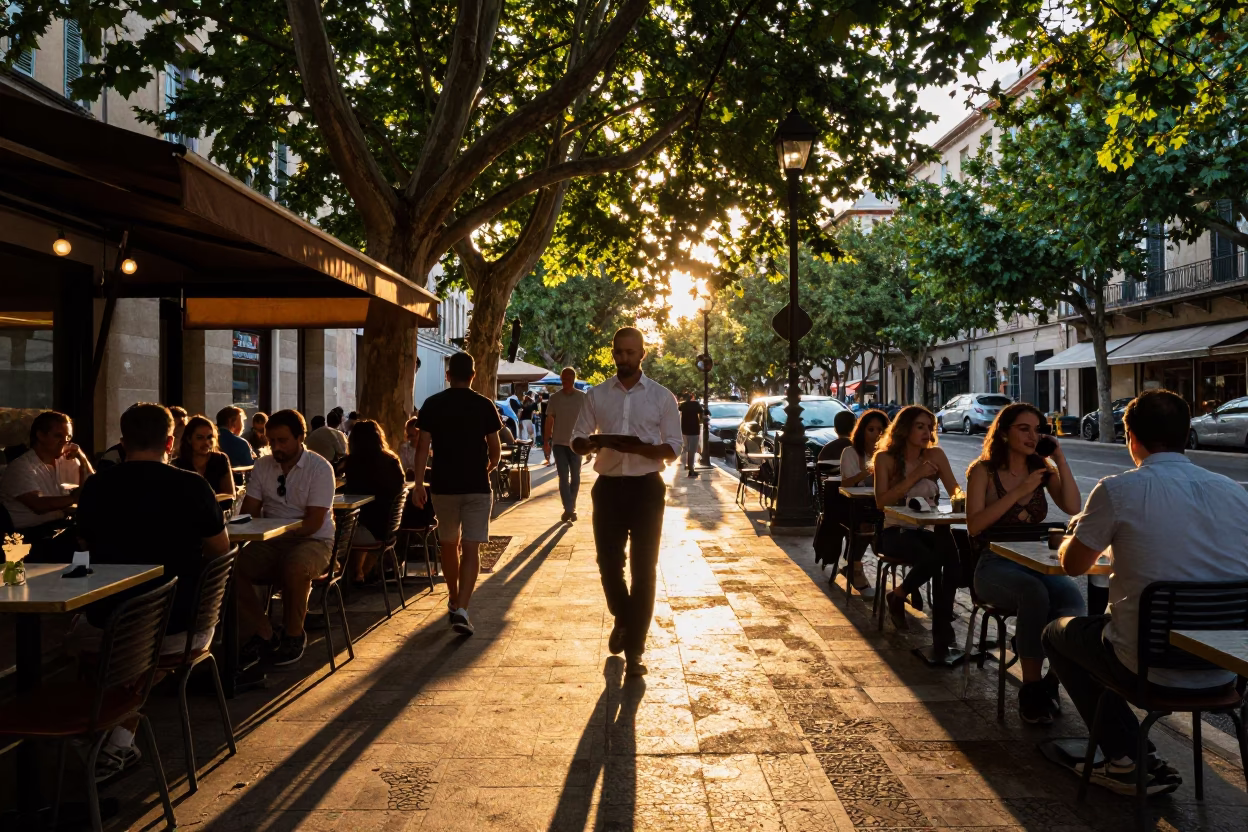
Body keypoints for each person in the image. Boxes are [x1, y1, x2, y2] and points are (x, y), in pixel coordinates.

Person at [1044, 390, 1248, 796]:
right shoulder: (1236, 492)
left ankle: (1124, 758)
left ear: (1130, 435)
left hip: (1147, 666)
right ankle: (1129, 752)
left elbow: (1074, 566)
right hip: (1226, 669)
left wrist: (1073, 537)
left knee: (1058, 633)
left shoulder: (1118, 490)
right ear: (1186, 433)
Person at [72, 403, 230, 778]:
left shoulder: (96, 487)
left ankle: (100, 730)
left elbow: (82, 549)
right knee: (141, 652)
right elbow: (220, 551)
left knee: (81, 642)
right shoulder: (193, 486)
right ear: (171, 442)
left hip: (107, 625)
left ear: (122, 443)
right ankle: (117, 741)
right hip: (182, 626)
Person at [572, 327, 682, 678]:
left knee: (644, 570)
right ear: (613, 353)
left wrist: (634, 447)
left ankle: (635, 649)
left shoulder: (663, 398)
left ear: (642, 354)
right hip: (608, 488)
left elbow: (673, 448)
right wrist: (588, 444)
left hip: (647, 489)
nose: (624, 359)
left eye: (631, 353)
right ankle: (622, 616)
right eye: (619, 352)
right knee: (608, 562)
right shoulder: (597, 395)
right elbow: (576, 437)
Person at [966, 403, 1083, 724]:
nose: (1033, 436)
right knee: (1034, 594)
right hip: (993, 565)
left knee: (1072, 600)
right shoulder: (983, 470)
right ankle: (1031, 689)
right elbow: (975, 525)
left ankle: (1052, 681)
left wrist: (1058, 457)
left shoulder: (1042, 469)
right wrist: (1021, 490)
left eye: (1038, 429)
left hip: (1036, 560)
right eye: (1024, 428)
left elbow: (1073, 506)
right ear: (1004, 432)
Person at [235, 409, 337, 667]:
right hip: (271, 541)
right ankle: (263, 630)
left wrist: (274, 529)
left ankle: (294, 634)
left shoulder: (320, 468)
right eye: (272, 441)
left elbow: (313, 523)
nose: (276, 447)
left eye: (282, 441)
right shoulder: (263, 465)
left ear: (300, 437)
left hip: (314, 541)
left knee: (294, 567)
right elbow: (249, 512)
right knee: (229, 569)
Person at [412, 352, 504, 637]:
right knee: (472, 547)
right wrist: (486, 469)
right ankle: (463, 608)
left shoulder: (432, 404)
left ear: (448, 375)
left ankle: (453, 598)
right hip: (476, 486)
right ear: (474, 376)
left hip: (443, 486)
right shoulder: (484, 405)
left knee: (448, 544)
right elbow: (495, 450)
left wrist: (418, 484)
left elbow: (422, 447)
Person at [873, 405, 961, 650]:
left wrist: (965, 498)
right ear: (904, 429)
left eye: (930, 428)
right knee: (933, 559)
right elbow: (882, 501)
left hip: (929, 528)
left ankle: (942, 625)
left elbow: (954, 489)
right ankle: (900, 595)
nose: (927, 433)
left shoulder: (935, 456)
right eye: (920, 427)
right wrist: (916, 475)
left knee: (953, 560)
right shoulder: (885, 458)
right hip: (895, 530)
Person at [0, 411, 93, 550]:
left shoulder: (67, 461)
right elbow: (38, 505)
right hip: (27, 537)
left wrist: (82, 458)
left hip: (60, 526)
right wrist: (75, 498)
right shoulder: (21, 467)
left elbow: (94, 485)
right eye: (58, 436)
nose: (65, 441)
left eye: (68, 437)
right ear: (41, 435)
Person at [343, 419, 406, 586]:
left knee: (336, 531)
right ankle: (359, 573)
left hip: (368, 525)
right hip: (389, 525)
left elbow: (352, 493)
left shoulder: (354, 463)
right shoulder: (391, 459)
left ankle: (352, 574)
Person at [838, 408, 890, 596]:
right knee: (867, 520)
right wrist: (869, 470)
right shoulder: (850, 453)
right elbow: (846, 483)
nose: (876, 435)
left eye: (880, 430)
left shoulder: (889, 454)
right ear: (862, 431)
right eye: (871, 429)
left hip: (880, 505)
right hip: (854, 506)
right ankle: (855, 566)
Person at [545, 367, 587, 523]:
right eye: (562, 379)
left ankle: (571, 507)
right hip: (559, 443)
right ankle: (568, 509)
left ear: (573, 379)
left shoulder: (583, 398)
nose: (564, 382)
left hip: (577, 444)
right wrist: (546, 442)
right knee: (563, 477)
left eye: (567, 379)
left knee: (575, 476)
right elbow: (549, 420)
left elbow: (589, 420)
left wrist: (589, 441)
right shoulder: (555, 398)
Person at [174, 415, 236, 498]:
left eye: (209, 437)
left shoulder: (220, 459)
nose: (206, 443)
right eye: (200, 438)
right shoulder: (178, 464)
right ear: (189, 439)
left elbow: (230, 495)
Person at [215, 406, 257, 471]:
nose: (243, 426)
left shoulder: (210, 439)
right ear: (231, 422)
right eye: (241, 421)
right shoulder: (241, 443)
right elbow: (251, 468)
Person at [677, 392, 703, 478]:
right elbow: (701, 412)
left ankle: (686, 465)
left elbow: (679, 409)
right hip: (694, 430)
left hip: (685, 430)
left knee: (686, 448)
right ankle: (691, 469)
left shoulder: (683, 405)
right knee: (692, 450)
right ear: (692, 397)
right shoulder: (696, 404)